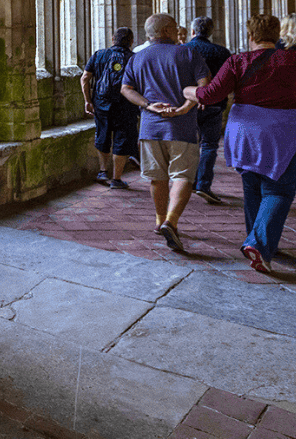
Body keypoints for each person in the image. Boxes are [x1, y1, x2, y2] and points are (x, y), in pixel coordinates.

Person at [184, 14, 296, 274]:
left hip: (246, 132)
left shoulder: (238, 60)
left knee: (253, 186)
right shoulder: (292, 60)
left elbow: (209, 95)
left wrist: (188, 91)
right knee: (279, 190)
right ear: (278, 34)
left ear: (250, 36)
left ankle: (257, 242)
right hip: (284, 131)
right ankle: (259, 243)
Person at [120, 14, 209, 253]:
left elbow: (126, 89)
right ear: (169, 30)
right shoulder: (188, 53)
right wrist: (183, 108)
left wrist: (147, 105)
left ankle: (160, 220)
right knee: (182, 177)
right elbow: (205, 86)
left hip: (150, 127)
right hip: (182, 127)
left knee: (157, 178)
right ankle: (172, 220)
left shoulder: (137, 57)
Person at [81, 27, 139, 189]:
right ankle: (117, 179)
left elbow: (85, 78)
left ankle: (102, 171)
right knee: (122, 139)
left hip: (101, 103)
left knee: (102, 135)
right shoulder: (134, 58)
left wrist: (88, 101)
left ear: (113, 39)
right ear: (131, 41)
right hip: (125, 105)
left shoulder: (99, 54)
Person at [186, 17, 232, 204]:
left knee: (189, 144)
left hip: (187, 104)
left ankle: (187, 182)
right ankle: (203, 184)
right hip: (213, 103)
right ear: (211, 32)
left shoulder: (183, 50)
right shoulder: (221, 52)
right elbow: (228, 79)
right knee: (210, 145)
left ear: (192, 31)